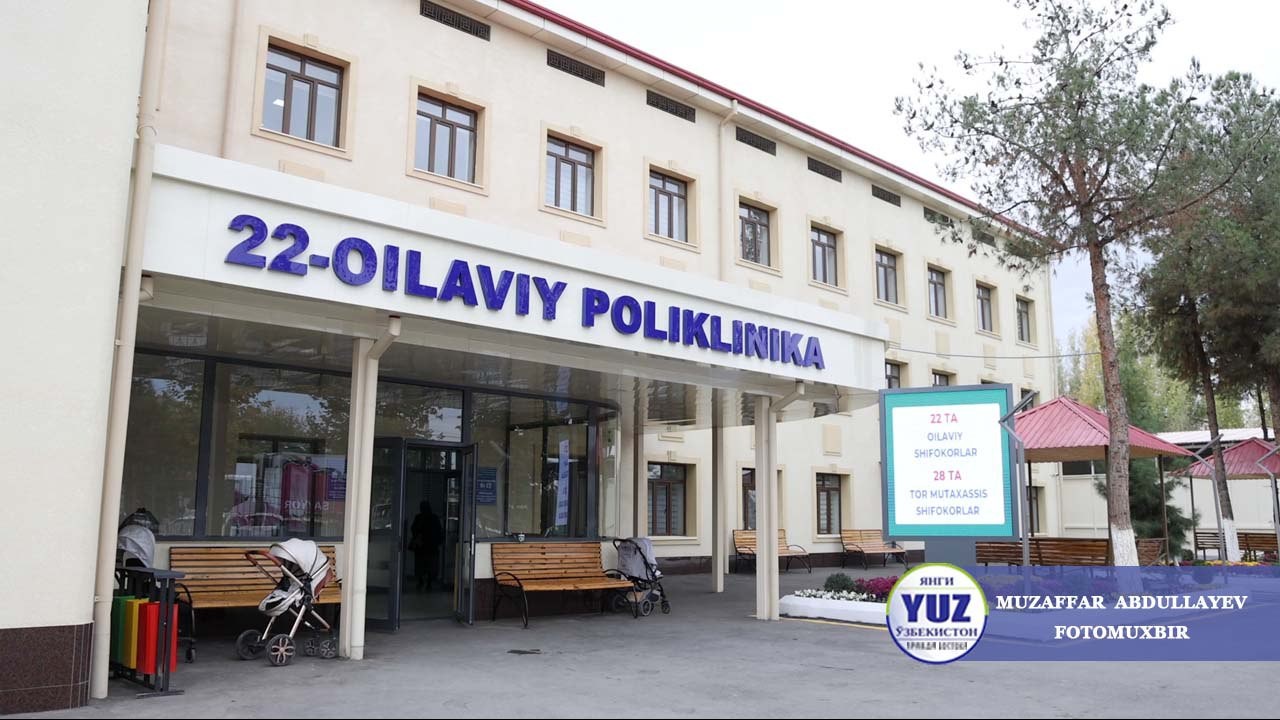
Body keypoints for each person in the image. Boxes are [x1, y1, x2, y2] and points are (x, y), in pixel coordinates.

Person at [409, 501, 443, 592]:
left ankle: (421, 582)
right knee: (431, 566)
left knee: (420, 565)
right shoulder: (434, 518)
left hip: (421, 546)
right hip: (431, 546)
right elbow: (439, 531)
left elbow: (413, 529)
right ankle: (429, 583)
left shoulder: (419, 517)